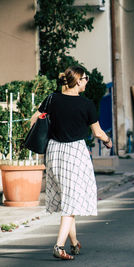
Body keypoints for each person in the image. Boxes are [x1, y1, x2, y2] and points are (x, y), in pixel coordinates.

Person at [30, 66, 112, 260]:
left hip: (54, 151)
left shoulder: (52, 99)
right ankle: (59, 246)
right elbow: (97, 132)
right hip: (74, 152)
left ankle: (74, 243)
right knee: (72, 200)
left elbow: (34, 120)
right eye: (85, 78)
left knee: (68, 198)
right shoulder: (86, 104)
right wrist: (108, 141)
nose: (87, 81)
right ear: (77, 80)